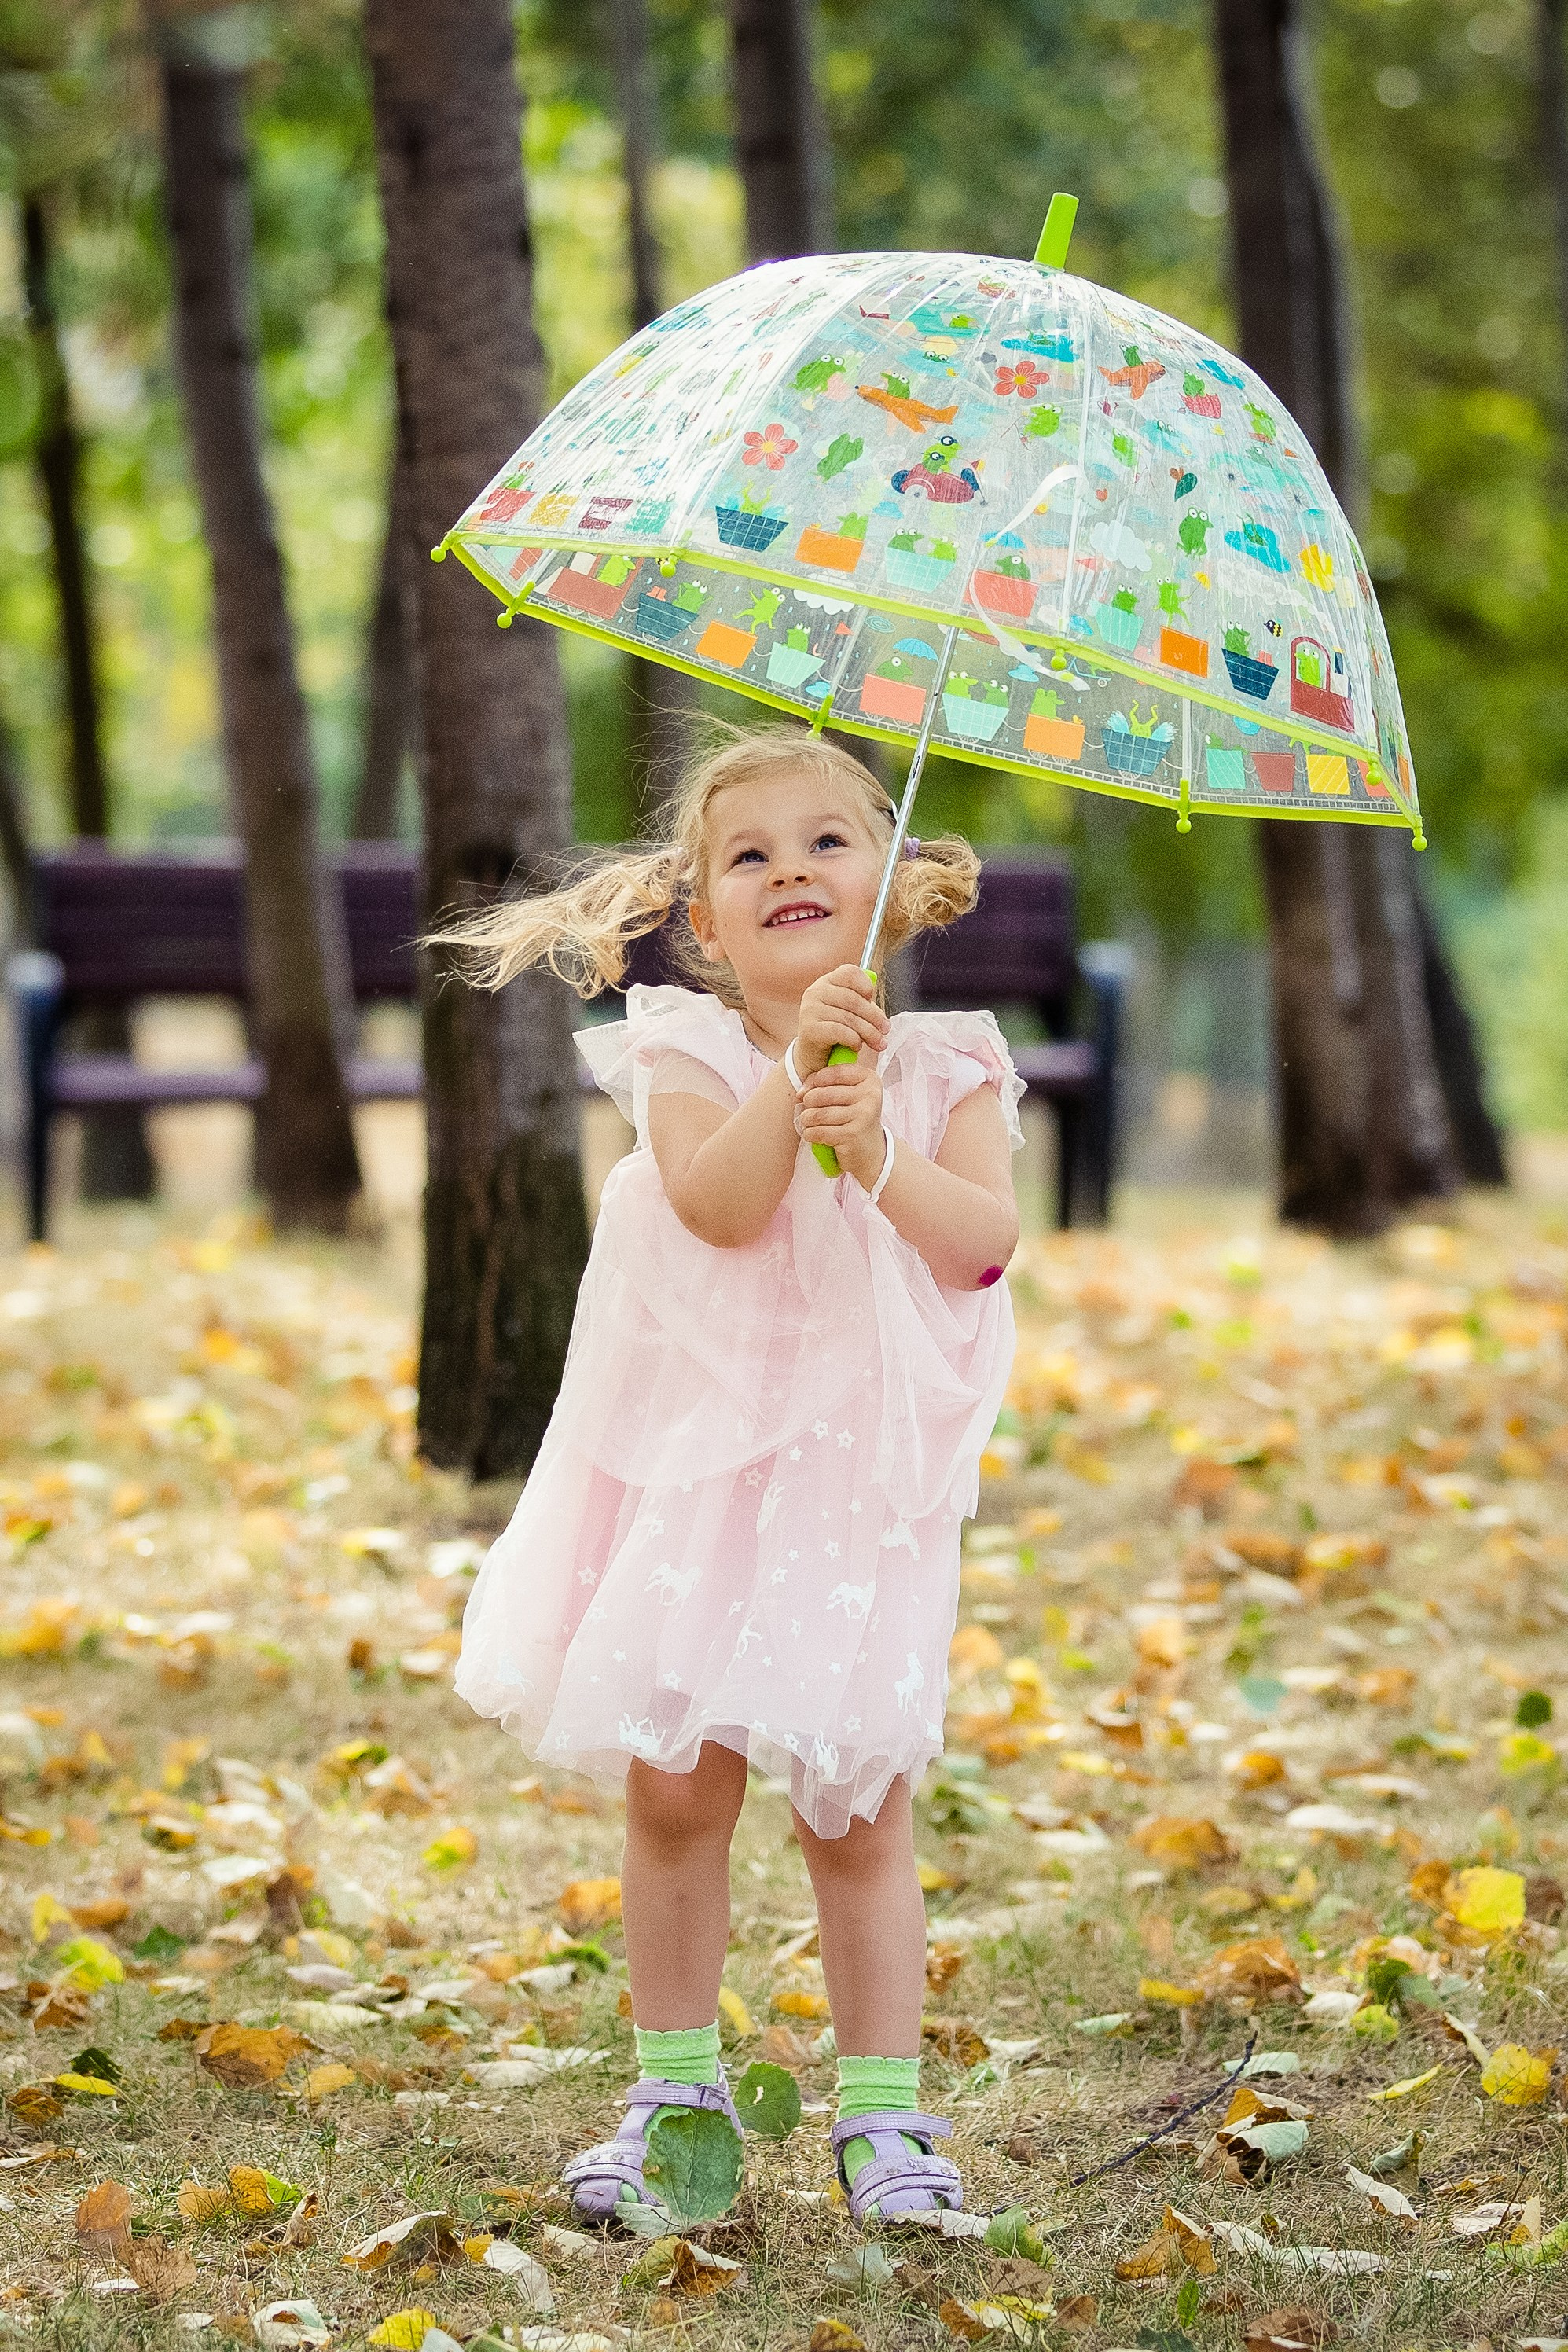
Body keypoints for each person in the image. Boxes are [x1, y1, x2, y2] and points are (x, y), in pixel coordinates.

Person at [435, 725, 1022, 2227]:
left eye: (827, 842)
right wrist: (796, 1077)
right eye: (748, 856)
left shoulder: (951, 1070)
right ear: (705, 919)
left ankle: (883, 2119)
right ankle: (673, 2100)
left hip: (854, 1497)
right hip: (700, 1487)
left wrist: (877, 1148)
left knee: (856, 1813)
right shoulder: (686, 1050)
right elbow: (715, 1206)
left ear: (891, 885)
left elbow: (981, 1250)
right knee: (680, 1789)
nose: (789, 870)